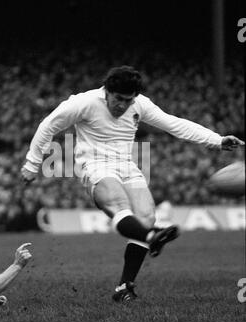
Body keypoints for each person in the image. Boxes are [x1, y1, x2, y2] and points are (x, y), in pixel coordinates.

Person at [21, 66, 244, 303]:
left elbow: (174, 124)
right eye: (118, 99)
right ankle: (151, 237)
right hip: (95, 165)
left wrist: (217, 140)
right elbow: (48, 126)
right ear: (107, 91)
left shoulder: (140, 104)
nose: (123, 105)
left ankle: (124, 286)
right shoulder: (83, 103)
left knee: (146, 216)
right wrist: (32, 163)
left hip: (126, 166)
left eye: (128, 100)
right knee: (119, 204)